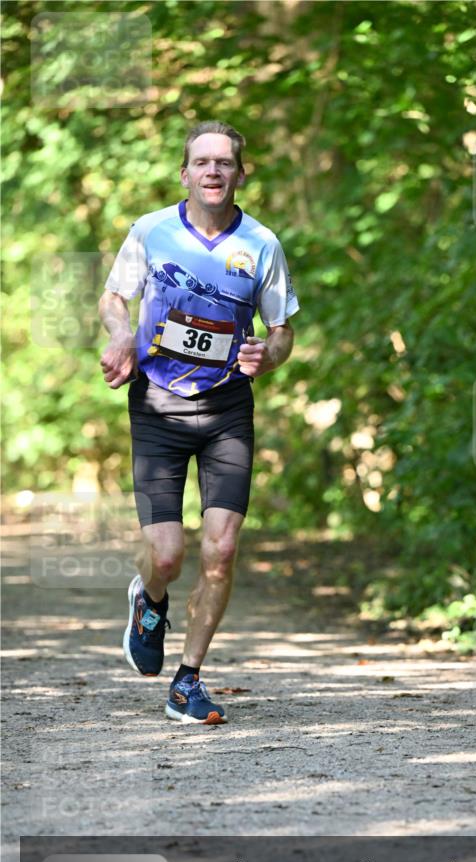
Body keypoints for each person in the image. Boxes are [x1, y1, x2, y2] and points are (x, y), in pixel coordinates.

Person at [98, 121, 299, 725]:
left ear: (241, 173)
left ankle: (187, 681)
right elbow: (114, 299)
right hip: (158, 404)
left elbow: (283, 331)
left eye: (225, 163)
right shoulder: (151, 231)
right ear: (184, 173)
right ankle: (149, 600)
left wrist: (271, 353)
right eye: (202, 162)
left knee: (223, 549)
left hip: (227, 408)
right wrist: (121, 336)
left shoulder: (261, 244)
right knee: (166, 556)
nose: (213, 171)